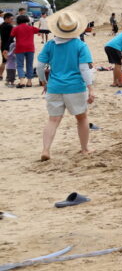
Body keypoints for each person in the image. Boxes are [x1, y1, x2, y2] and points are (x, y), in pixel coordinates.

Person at [36, 11, 95, 160]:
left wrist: (44, 82)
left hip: (55, 86)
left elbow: (40, 66)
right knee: (81, 118)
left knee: (53, 119)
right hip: (75, 87)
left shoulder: (50, 45)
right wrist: (91, 88)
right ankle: (85, 149)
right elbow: (84, 68)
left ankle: (46, 150)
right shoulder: (80, 45)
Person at [11, 14, 40, 87]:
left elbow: (11, 37)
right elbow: (39, 30)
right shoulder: (31, 28)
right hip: (30, 48)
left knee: (20, 65)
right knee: (29, 65)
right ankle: (29, 82)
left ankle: (21, 81)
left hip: (19, 48)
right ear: (27, 20)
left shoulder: (16, 28)